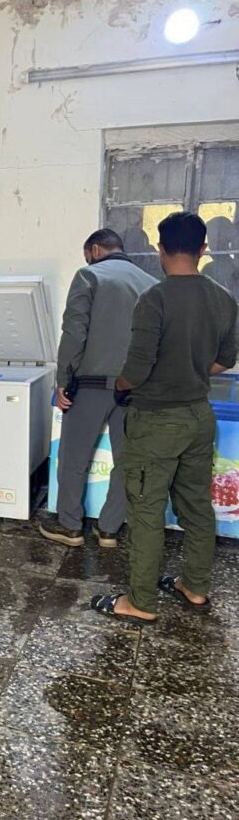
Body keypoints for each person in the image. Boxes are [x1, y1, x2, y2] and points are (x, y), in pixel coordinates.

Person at [91, 212, 238, 625]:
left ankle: (140, 602)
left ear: (160, 249)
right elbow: (226, 359)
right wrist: (189, 371)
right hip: (199, 417)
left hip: (156, 420)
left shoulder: (154, 299)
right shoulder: (223, 299)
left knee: (145, 511)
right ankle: (195, 586)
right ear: (203, 248)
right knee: (196, 507)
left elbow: (137, 368)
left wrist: (121, 386)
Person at [40, 229, 157, 548]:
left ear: (94, 250)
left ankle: (70, 526)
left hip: (90, 387)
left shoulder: (89, 276)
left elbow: (74, 331)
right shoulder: (151, 284)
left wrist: (63, 380)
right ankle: (109, 529)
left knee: (73, 458)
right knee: (127, 460)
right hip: (136, 389)